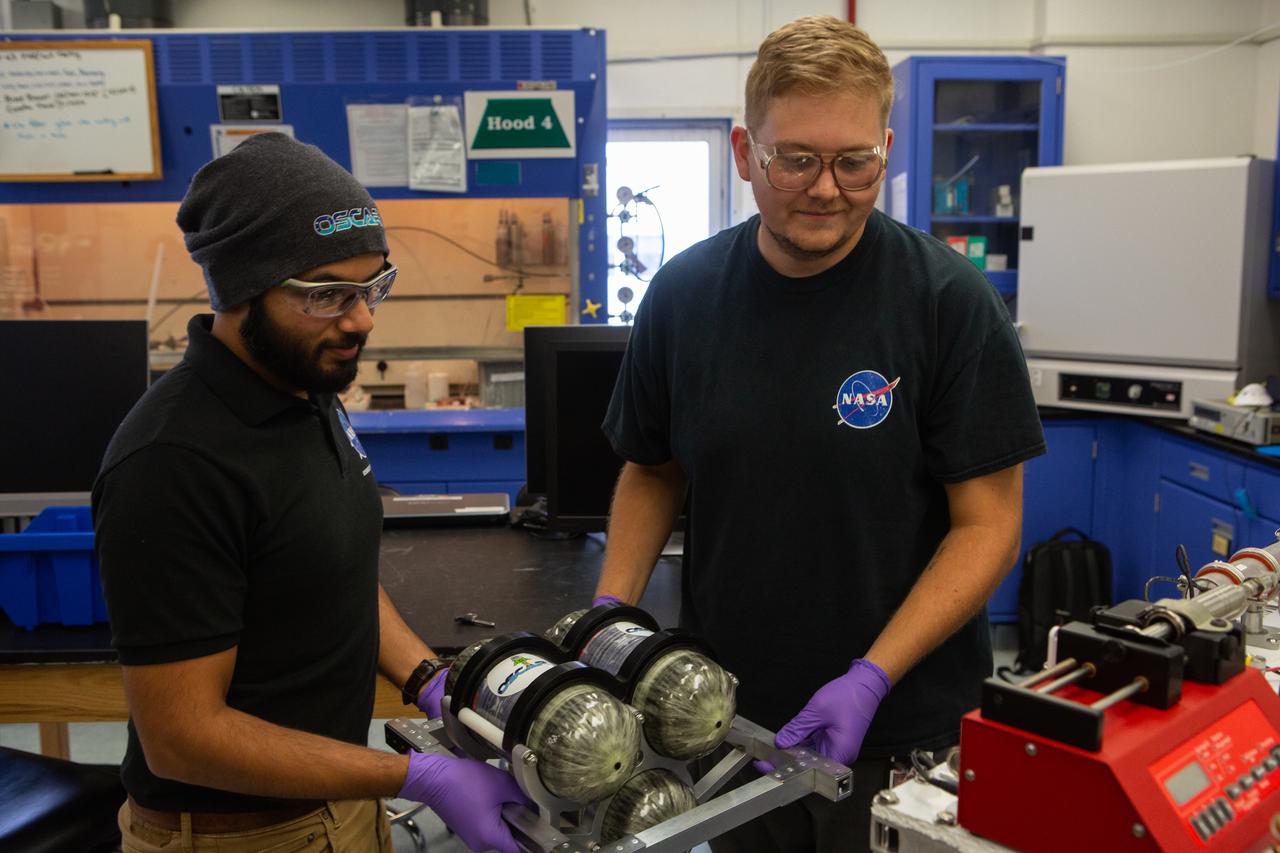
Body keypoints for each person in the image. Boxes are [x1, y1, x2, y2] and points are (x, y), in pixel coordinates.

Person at [593, 16, 1045, 852]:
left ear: (885, 148)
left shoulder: (949, 304)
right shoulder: (684, 297)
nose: (827, 188)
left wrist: (871, 676)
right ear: (744, 153)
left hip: (902, 730)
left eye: (855, 161)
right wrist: (606, 617)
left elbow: (989, 525)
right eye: (796, 159)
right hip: (722, 718)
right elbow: (653, 469)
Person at [93, 132, 525, 853]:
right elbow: (183, 739)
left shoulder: (305, 385)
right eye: (328, 293)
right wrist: (417, 776)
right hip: (238, 836)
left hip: (333, 800)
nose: (360, 318)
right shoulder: (172, 460)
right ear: (241, 290)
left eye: (371, 285)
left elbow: (332, 571)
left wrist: (429, 680)